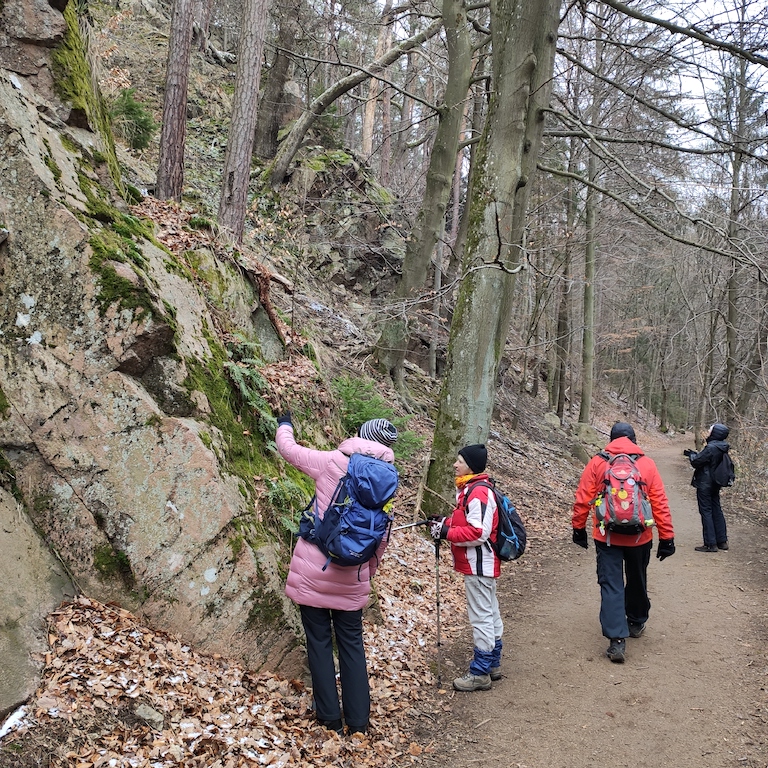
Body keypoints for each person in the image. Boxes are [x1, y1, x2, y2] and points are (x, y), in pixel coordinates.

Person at [275, 414, 398, 736]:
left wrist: (285, 423)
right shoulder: (387, 478)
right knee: (352, 646)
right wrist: (365, 572)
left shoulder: (333, 462)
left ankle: (329, 718)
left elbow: (288, 449)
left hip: (314, 569)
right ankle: (358, 722)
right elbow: (380, 536)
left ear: (360, 435)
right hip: (353, 575)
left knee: (318, 643)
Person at [571, 422, 675, 664]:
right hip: (640, 536)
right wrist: (667, 537)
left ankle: (617, 640)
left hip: (606, 536)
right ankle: (636, 621)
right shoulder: (646, 464)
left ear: (611, 439)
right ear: (634, 439)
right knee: (637, 577)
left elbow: (583, 497)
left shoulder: (598, 462)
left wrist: (578, 528)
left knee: (611, 584)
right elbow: (659, 501)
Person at [430, 443, 504, 692]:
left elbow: (478, 532)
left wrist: (446, 532)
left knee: (482, 616)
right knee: (489, 612)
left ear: (470, 466)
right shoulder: (470, 490)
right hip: (479, 564)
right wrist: (445, 523)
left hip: (479, 564)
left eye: (459, 461)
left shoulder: (479, 492)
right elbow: (467, 521)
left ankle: (480, 672)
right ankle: (492, 664)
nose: (455, 464)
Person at [684, 422, 730, 553]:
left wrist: (692, 455)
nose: (708, 433)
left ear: (715, 433)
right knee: (716, 509)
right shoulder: (722, 447)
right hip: (715, 482)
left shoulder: (711, 447)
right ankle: (722, 541)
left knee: (706, 511)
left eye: (710, 430)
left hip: (705, 483)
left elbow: (697, 462)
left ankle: (710, 543)